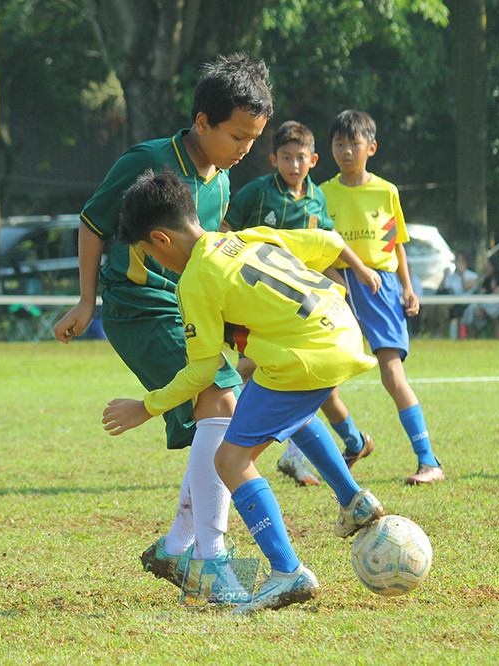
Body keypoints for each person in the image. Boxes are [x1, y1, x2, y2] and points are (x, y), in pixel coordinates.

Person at [102, 169, 386, 613]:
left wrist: (147, 406)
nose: (157, 263)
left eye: (149, 254)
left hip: (306, 354)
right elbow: (329, 241)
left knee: (230, 460)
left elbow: (201, 372)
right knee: (289, 410)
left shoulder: (196, 280)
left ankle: (288, 571)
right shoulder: (247, 237)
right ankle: (354, 501)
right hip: (341, 331)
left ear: (160, 239)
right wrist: (362, 267)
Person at [52, 53, 273, 590]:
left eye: (253, 139)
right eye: (238, 136)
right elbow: (92, 222)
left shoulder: (221, 180)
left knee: (219, 415)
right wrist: (86, 301)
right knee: (222, 403)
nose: (245, 150)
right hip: (138, 308)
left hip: (186, 311)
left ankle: (177, 548)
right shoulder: (147, 160)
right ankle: (209, 560)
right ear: (203, 122)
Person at [224, 120, 380, 486]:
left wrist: (351, 275)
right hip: (260, 298)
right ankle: (332, 447)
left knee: (317, 386)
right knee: (254, 369)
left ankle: (346, 443)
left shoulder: (316, 198)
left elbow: (326, 241)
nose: (293, 165)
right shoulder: (257, 193)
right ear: (273, 159)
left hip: (301, 301)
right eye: (286, 157)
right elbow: (225, 230)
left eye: (300, 158)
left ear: (313, 160)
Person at [320, 110, 445, 485]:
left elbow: (396, 243)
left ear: (371, 147)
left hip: (379, 285)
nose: (346, 151)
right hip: (335, 285)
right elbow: (319, 244)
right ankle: (354, 441)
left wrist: (407, 287)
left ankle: (428, 461)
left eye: (353, 143)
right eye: (339, 144)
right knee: (321, 381)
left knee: (392, 374)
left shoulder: (386, 191)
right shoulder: (322, 193)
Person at [425, 251, 478, 339]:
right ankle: (432, 333)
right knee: (430, 306)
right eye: (457, 260)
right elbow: (442, 289)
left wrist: (462, 274)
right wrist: (445, 276)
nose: (458, 263)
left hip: (462, 303)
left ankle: (442, 333)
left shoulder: (473, 276)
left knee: (442, 306)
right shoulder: (452, 275)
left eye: (461, 261)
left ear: (466, 263)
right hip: (448, 300)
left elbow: (466, 288)